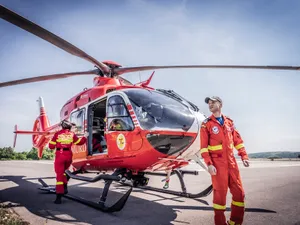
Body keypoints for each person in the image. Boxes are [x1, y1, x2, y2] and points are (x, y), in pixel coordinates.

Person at [200, 96, 250, 225]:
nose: (210, 105)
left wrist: (243, 156)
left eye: (213, 102)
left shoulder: (229, 123)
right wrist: (209, 164)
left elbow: (238, 141)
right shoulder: (206, 124)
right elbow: (204, 148)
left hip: (232, 164)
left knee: (240, 195)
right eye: (209, 103)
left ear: (220, 104)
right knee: (219, 199)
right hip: (217, 166)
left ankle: (235, 222)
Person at [48, 119, 87, 204]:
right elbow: (79, 142)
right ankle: (65, 187)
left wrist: (55, 143)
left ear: (62, 126)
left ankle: (59, 196)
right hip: (69, 155)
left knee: (59, 176)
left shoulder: (57, 134)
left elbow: (51, 146)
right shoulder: (72, 134)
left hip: (60, 155)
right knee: (65, 172)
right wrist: (85, 137)